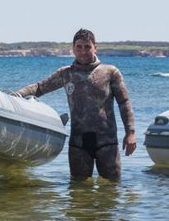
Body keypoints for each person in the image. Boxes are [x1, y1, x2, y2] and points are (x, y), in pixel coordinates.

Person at [14, 28, 136, 181]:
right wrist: (15, 96)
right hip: (78, 143)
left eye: (87, 47)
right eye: (79, 47)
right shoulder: (66, 73)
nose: (83, 51)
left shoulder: (110, 72)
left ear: (95, 47)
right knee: (78, 192)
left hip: (107, 142)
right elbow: (39, 88)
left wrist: (130, 133)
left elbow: (124, 102)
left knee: (112, 190)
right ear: (73, 48)